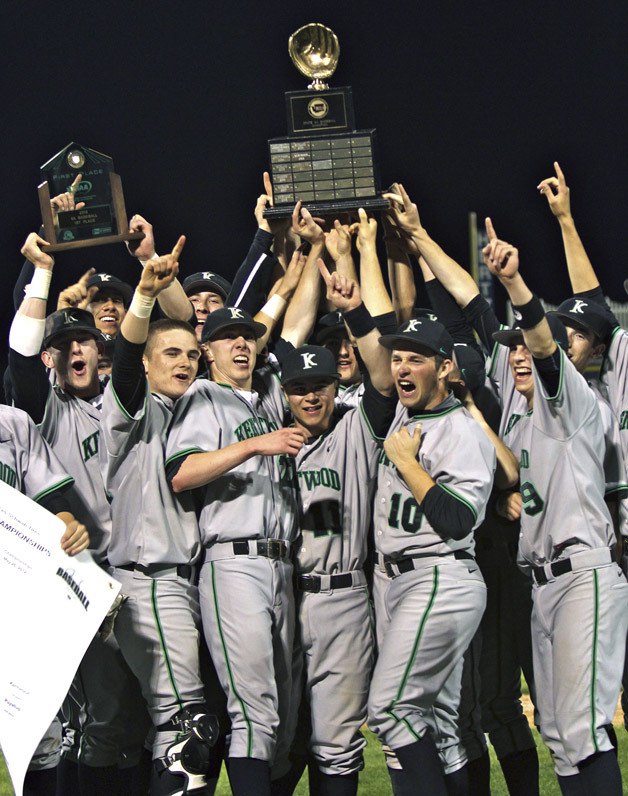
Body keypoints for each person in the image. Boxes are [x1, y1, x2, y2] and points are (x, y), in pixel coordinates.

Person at [484, 219, 628, 795]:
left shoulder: (572, 398)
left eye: (527, 346)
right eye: (511, 349)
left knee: (580, 729)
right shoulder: (522, 423)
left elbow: (546, 350)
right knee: (560, 734)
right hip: (543, 586)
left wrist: (518, 287)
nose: (520, 354)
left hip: (584, 576)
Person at [165, 304, 307, 796]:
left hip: (282, 565)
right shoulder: (203, 395)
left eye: (247, 336)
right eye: (228, 337)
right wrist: (253, 446)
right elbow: (182, 473)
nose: (241, 344)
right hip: (233, 562)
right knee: (254, 709)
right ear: (208, 351)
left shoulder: (265, 397)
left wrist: (303, 253)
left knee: (286, 720)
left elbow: (297, 315)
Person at [99, 241, 222, 795]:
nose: (183, 362)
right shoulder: (132, 406)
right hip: (147, 581)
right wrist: (145, 295)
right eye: (169, 354)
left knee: (161, 731)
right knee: (185, 731)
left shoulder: (189, 412)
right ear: (148, 363)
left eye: (190, 355)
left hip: (177, 584)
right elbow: (125, 362)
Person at [367, 313, 495, 796]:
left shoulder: (460, 430)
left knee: (391, 709)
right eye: (397, 358)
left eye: (415, 359)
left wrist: (405, 462)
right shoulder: (408, 414)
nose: (401, 368)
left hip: (441, 576)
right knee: (438, 727)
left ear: (444, 368)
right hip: (407, 580)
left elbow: (460, 518)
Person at [0, 403, 89, 796]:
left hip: (17, 599)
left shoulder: (12, 422)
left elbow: (53, 502)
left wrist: (69, 526)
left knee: (38, 736)